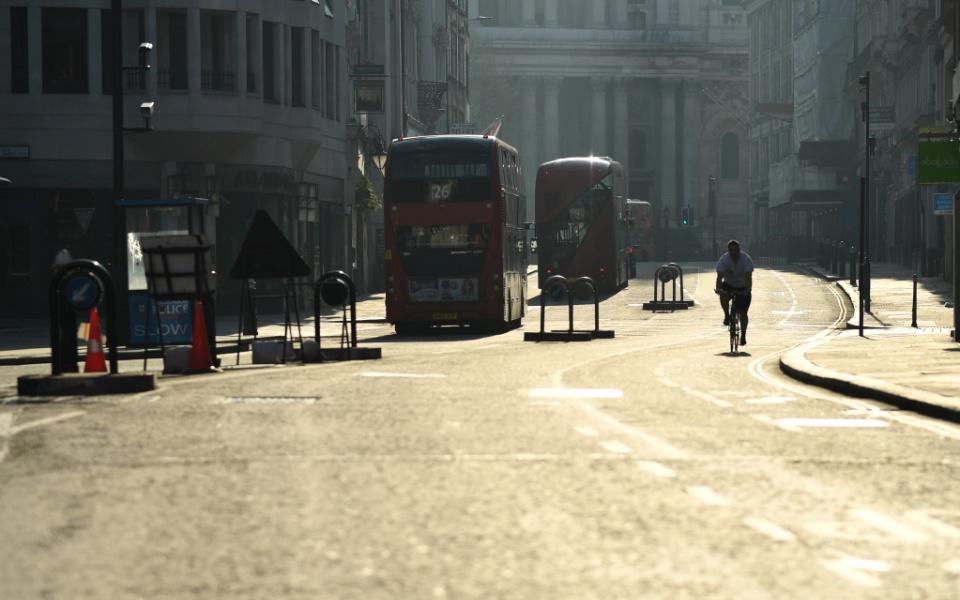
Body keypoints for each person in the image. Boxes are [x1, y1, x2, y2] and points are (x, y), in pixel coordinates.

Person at [715, 239, 754, 346]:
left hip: (743, 286)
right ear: (728, 251)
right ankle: (727, 315)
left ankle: (743, 335)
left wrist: (748, 290)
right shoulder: (724, 259)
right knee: (723, 295)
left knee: (743, 312)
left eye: (736, 249)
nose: (734, 252)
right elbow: (719, 277)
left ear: (739, 249)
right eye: (731, 250)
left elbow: (748, 277)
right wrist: (718, 289)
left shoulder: (745, 259)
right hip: (728, 285)